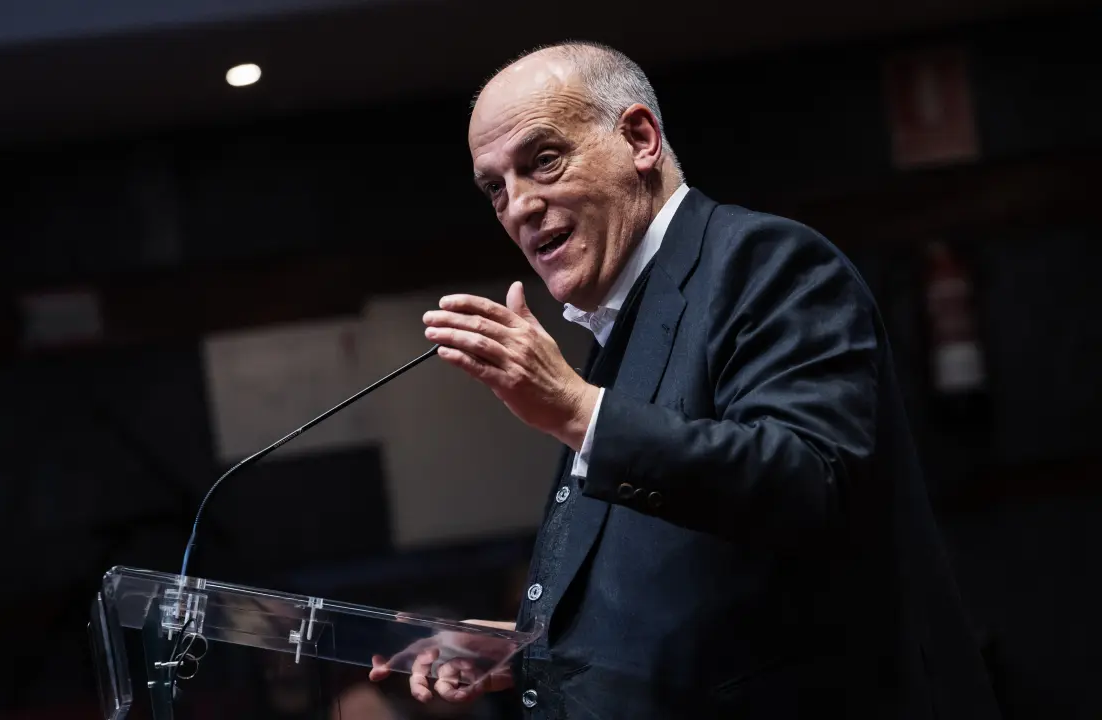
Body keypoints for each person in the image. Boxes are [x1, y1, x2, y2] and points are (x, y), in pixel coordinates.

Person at [370, 42, 1000, 719]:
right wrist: (531, 650)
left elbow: (806, 481)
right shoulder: (620, 326)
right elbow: (684, 590)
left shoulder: (765, 262)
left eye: (543, 160)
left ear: (640, 139)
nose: (518, 205)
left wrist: (576, 410)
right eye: (496, 188)